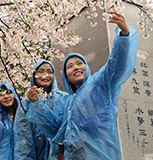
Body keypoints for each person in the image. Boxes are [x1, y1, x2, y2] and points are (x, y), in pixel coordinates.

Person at [25, 10, 138, 159]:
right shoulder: (67, 102)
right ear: (66, 76)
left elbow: (117, 65)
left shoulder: (100, 83)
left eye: (79, 63)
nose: (76, 67)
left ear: (87, 67)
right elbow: (54, 127)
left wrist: (124, 34)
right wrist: (36, 103)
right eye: (70, 66)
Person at [14, 59, 67, 160]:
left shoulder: (63, 98)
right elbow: (23, 138)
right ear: (34, 75)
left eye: (49, 72)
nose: (45, 75)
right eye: (40, 71)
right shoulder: (26, 104)